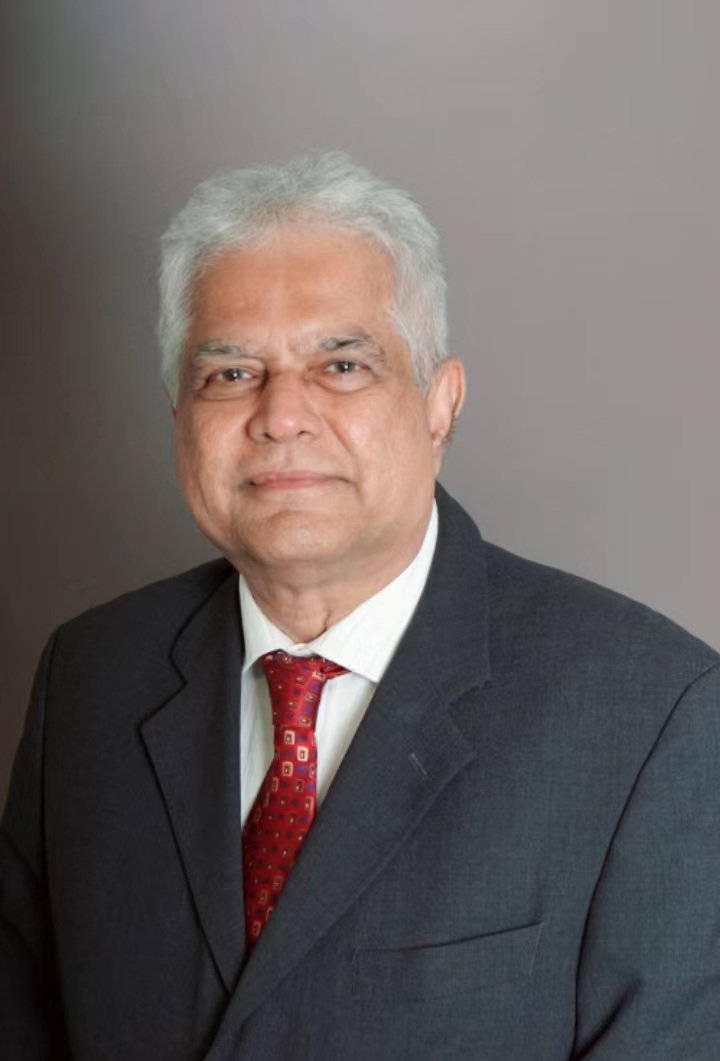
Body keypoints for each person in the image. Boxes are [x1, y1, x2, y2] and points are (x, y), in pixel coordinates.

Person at [1, 152, 719, 1061]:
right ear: (178, 416)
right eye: (231, 374)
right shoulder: (90, 677)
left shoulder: (651, 712)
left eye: (342, 364)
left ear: (440, 405)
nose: (281, 415)